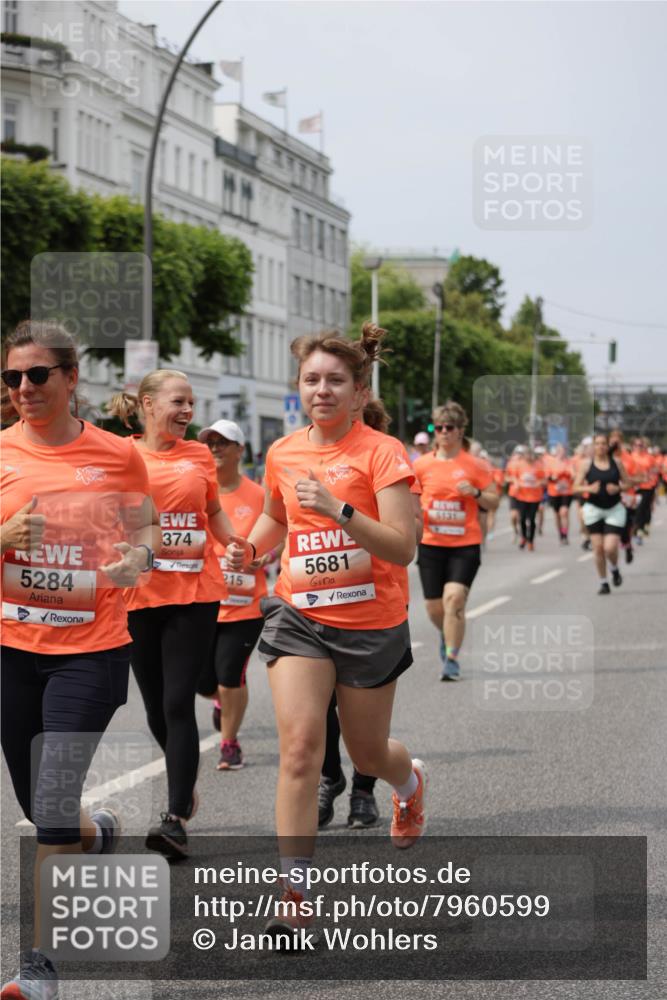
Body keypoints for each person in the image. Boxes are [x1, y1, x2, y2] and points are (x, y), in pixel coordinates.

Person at [226, 324, 426, 941]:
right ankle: (295, 893)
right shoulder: (284, 452)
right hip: (300, 617)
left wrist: (339, 508)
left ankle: (409, 782)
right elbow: (273, 517)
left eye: (335, 380)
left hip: (370, 623)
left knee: (368, 753)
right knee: (302, 749)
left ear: (359, 391)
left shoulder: (383, 453)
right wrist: (248, 549)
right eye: (312, 379)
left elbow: (403, 547)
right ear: (299, 388)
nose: (322, 389)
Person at [1, 321, 159, 998]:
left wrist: (140, 556)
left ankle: (38, 965)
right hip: (12, 649)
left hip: (90, 653)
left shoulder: (118, 455)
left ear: (71, 379)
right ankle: (96, 836)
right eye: (12, 378)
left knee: (53, 801)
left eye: (38, 376)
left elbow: (145, 523)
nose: (23, 390)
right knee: (45, 812)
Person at [108, 371, 238, 860]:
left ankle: (175, 817)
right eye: (178, 401)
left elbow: (213, 512)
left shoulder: (199, 455)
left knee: (178, 702)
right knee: (157, 708)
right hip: (139, 595)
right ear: (147, 403)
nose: (187, 410)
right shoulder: (122, 455)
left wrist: (236, 544)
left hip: (194, 592)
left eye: (192, 402)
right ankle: (185, 786)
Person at [318, 393, 423, 831]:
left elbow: (408, 537)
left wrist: (348, 514)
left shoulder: (384, 455)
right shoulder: (302, 452)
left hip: (373, 606)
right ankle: (327, 778)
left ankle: (364, 788)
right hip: (315, 603)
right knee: (315, 707)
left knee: (363, 727)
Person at [195, 419, 280, 771]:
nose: (215, 448)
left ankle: (229, 743)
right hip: (204, 602)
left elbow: (278, 534)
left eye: (223, 442)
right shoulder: (199, 492)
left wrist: (264, 556)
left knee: (231, 675)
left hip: (245, 606)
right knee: (203, 682)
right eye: (210, 442)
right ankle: (221, 703)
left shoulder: (258, 494)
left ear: (240, 449)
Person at [413, 402, 499, 681]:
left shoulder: (475, 466)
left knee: (455, 599)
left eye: (450, 427)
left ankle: (451, 657)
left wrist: (474, 492)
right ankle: (446, 632)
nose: (444, 432)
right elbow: (410, 499)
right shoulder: (421, 465)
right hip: (431, 544)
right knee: (434, 608)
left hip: (465, 545)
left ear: (461, 431)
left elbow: (494, 500)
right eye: (438, 428)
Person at [572, 432, 630, 594]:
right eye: (597, 444)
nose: (601, 446)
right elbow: (575, 487)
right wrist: (588, 488)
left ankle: (614, 568)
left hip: (614, 509)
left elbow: (628, 483)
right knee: (598, 548)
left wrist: (618, 488)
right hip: (594, 509)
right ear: (593, 446)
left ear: (607, 446)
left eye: (603, 443)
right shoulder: (586, 464)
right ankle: (604, 582)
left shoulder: (617, 463)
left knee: (610, 548)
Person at [508, 446, 546, 551]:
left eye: (530, 455)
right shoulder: (519, 464)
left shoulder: (538, 465)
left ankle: (531, 541)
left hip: (535, 497)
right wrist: (516, 483)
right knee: (522, 519)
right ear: (524, 456)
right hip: (522, 496)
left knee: (532, 519)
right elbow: (511, 477)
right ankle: (524, 537)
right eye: (527, 455)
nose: (529, 457)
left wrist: (539, 482)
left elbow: (544, 480)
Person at [545, 443, 574, 544]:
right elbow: (547, 477)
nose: (561, 453)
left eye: (563, 450)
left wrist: (569, 474)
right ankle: (560, 534)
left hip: (567, 491)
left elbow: (574, 475)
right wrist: (553, 477)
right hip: (554, 492)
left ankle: (565, 534)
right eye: (559, 451)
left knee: (564, 512)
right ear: (556, 452)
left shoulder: (569, 462)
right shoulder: (551, 462)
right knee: (557, 514)